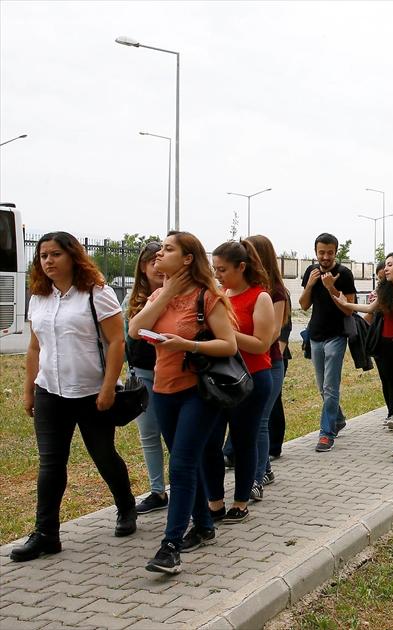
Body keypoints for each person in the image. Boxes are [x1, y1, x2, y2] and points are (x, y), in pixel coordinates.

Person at [13, 232, 138, 563]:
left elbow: (116, 342)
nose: (48, 261)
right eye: (43, 256)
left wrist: (108, 387)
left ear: (73, 256)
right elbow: (35, 347)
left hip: (91, 392)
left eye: (55, 254)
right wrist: (29, 389)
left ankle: (126, 506)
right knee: (51, 463)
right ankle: (46, 534)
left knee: (103, 455)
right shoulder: (39, 296)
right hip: (50, 391)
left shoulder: (96, 293)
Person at [128, 231, 238, 574]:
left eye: (168, 249)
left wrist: (188, 345)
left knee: (181, 464)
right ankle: (204, 526)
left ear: (188, 258)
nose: (159, 254)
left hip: (198, 392)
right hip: (163, 391)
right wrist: (166, 294)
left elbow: (229, 345)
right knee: (183, 460)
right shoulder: (159, 295)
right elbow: (134, 329)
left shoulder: (208, 297)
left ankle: (170, 546)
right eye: (159, 249)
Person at [205, 240, 277, 522]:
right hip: (219, 379)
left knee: (244, 440)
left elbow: (262, 344)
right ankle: (215, 503)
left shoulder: (260, 297)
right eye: (215, 269)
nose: (218, 274)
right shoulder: (219, 295)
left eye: (223, 269)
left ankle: (240, 502)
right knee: (211, 442)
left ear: (242, 267)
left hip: (252, 380)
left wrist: (226, 335)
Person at [334, 253, 393, 457]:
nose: (385, 269)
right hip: (386, 350)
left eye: (390, 265)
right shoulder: (385, 292)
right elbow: (369, 308)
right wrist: (346, 304)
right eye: (385, 265)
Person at [298, 233, 357, 453]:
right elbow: (304, 305)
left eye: (329, 252)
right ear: (315, 252)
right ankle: (337, 419)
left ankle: (326, 434)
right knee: (321, 386)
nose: (325, 257)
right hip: (315, 336)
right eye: (321, 252)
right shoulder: (311, 271)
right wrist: (310, 285)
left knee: (330, 387)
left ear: (335, 252)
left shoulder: (344, 274)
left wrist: (332, 288)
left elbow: (349, 309)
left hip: (336, 336)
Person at [124, 241, 169, 514]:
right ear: (143, 266)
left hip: (174, 373)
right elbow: (125, 340)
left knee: (176, 435)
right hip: (142, 374)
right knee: (149, 434)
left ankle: (186, 488)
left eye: (162, 260)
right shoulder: (131, 301)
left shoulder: (178, 294)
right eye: (153, 262)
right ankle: (157, 491)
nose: (159, 267)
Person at [244, 234, 289, 489]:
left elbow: (274, 331)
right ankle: (265, 469)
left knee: (260, 420)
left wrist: (251, 343)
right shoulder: (244, 287)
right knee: (252, 421)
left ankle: (257, 477)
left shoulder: (276, 291)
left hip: (270, 363)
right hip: (246, 363)